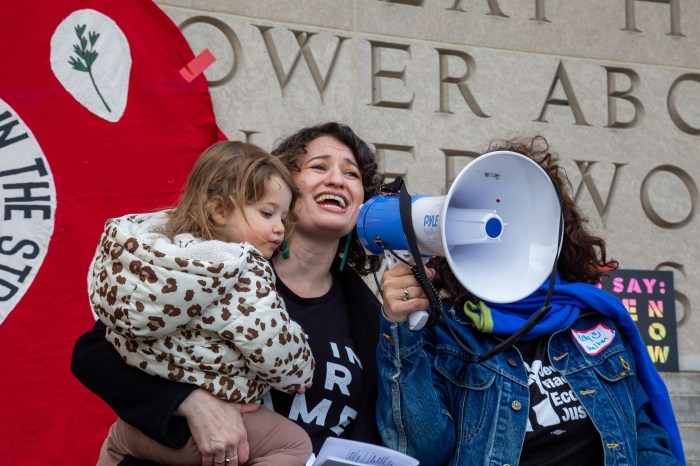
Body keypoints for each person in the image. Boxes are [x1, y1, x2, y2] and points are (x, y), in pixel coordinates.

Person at [72, 122, 385, 465]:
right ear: (278, 184)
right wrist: (188, 400)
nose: (337, 180)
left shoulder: (370, 312)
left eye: (351, 173)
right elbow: (95, 354)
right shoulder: (220, 271)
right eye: (319, 166)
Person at [376, 135, 685, 465]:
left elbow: (643, 436)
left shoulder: (594, 322)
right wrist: (401, 333)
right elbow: (420, 451)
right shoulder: (447, 334)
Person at [90, 140, 315, 465]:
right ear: (219, 210)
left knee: (113, 445)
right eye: (268, 213)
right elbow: (271, 344)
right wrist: (301, 372)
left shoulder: (153, 261)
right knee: (293, 446)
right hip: (208, 431)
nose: (280, 227)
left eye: (283, 215)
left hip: (141, 424)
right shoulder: (239, 271)